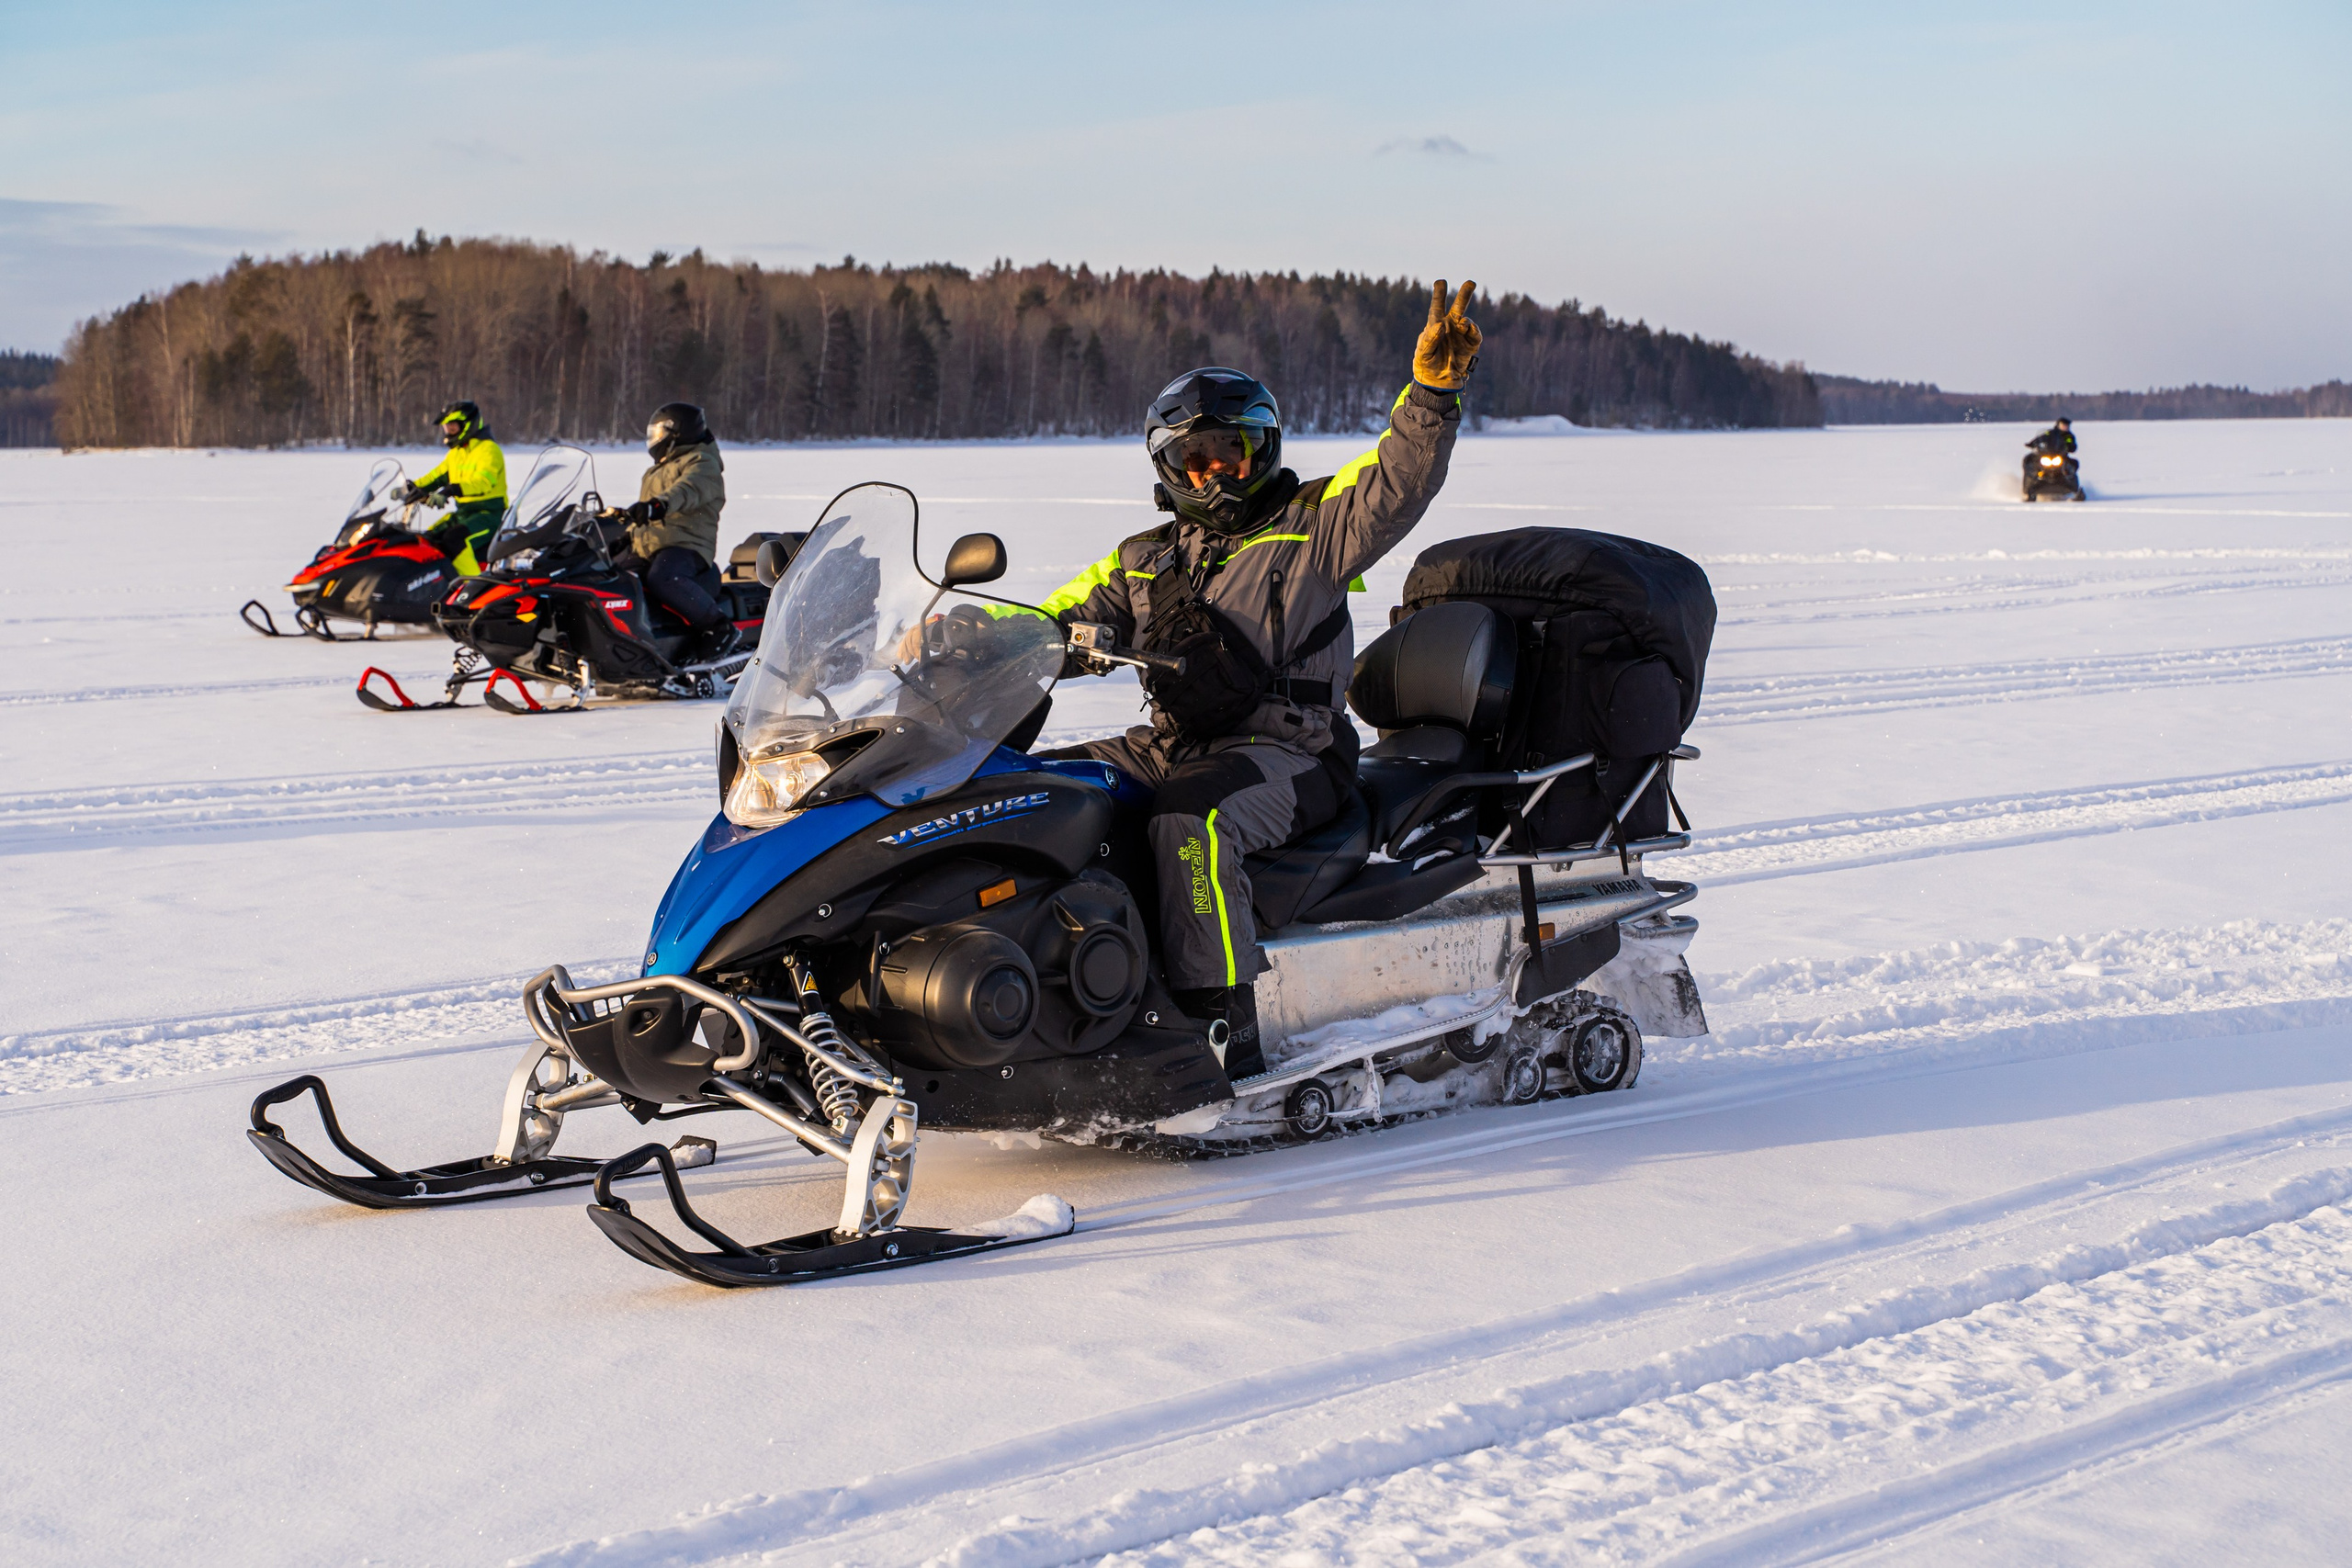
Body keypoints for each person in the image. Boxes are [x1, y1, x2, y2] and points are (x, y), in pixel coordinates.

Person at [1032, 279, 1482, 1078]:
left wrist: (1432, 395)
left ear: (1261, 449)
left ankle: (1222, 1027)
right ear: (1167, 467)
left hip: (1294, 752)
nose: (1211, 477)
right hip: (1176, 741)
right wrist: (967, 640)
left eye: (1228, 454)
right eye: (1191, 461)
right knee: (1043, 788)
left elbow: (1396, 484)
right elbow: (1056, 614)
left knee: (1189, 821)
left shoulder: (1313, 529)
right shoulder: (1144, 557)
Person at [616, 401, 738, 660]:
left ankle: (718, 627)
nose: (653, 440)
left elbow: (687, 490)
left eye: (658, 434)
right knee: (616, 581)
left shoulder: (703, 463)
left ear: (677, 433)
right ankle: (639, 645)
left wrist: (659, 505)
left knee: (663, 577)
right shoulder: (659, 468)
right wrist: (624, 528)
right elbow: (648, 515)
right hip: (653, 546)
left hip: (687, 546)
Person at [399, 401, 507, 573]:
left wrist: (450, 491)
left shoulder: (488, 450)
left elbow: (484, 482)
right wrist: (411, 487)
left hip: (489, 515)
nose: (448, 431)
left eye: (453, 427)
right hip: (464, 513)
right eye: (446, 428)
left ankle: (474, 588)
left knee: (454, 539)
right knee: (430, 538)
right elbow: (437, 477)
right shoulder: (456, 453)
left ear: (467, 425)